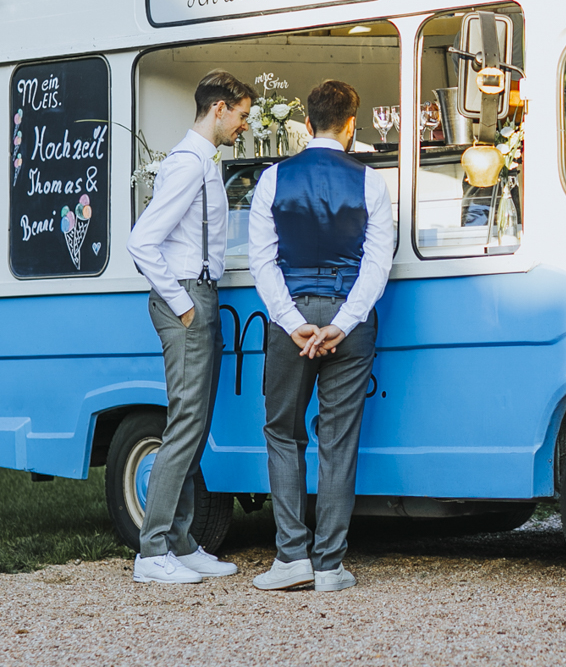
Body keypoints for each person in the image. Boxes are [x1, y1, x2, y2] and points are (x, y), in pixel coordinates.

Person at [248, 80, 393, 592]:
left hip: (293, 321)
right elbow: (378, 267)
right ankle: (330, 565)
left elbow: (261, 263)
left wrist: (293, 323)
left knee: (282, 432)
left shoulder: (271, 179)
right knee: (338, 440)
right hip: (347, 324)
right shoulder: (372, 182)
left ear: (306, 125)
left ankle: (292, 557)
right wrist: (341, 324)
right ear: (352, 126)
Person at [126, 70, 256, 584]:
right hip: (185, 298)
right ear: (219, 109)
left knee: (196, 425)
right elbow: (142, 241)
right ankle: (151, 550)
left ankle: (180, 542)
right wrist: (182, 305)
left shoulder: (202, 161)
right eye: (242, 115)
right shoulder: (187, 164)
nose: (244, 126)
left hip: (200, 294)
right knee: (183, 426)